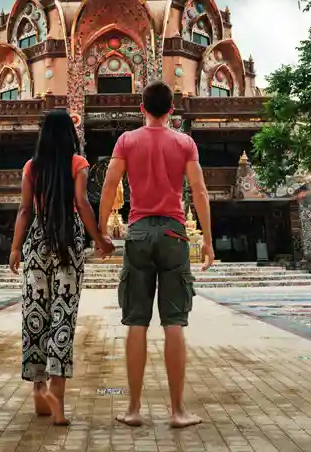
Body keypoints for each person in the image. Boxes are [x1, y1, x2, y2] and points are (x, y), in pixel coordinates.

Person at [99, 81, 214, 429]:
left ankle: (134, 409)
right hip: (174, 233)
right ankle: (178, 411)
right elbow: (199, 190)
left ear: (142, 108)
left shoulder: (126, 141)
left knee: (136, 321)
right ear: (172, 110)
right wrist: (208, 241)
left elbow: (109, 184)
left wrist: (101, 231)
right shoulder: (185, 142)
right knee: (174, 323)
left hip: (137, 230)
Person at [9, 110, 114, 425]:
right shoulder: (78, 164)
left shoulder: (32, 167)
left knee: (35, 315)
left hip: (38, 242)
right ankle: (57, 393)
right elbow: (82, 204)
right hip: (68, 240)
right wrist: (99, 239)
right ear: (71, 134)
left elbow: (25, 209)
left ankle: (39, 391)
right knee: (62, 315)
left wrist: (15, 248)